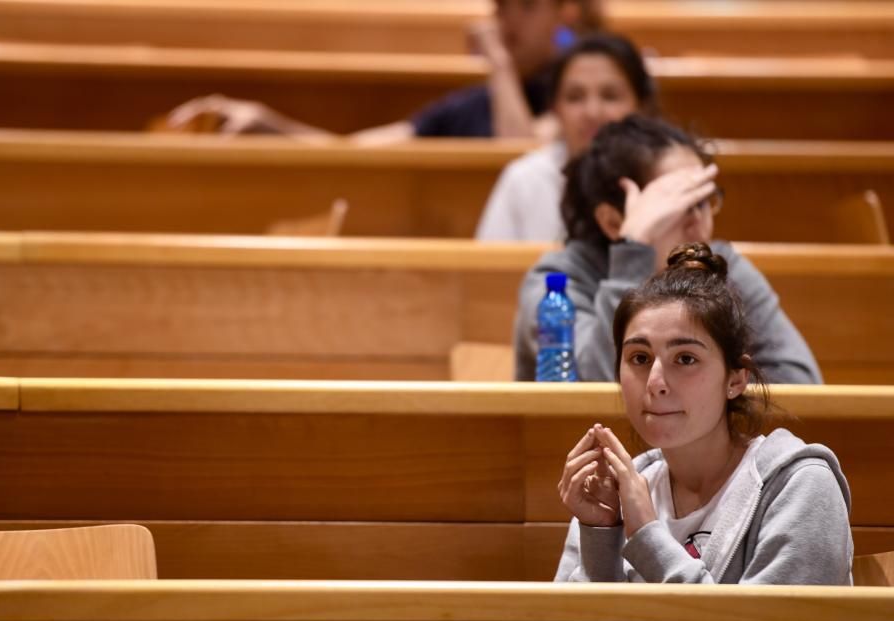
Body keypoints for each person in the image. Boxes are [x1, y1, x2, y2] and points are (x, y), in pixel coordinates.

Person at [554, 242, 852, 584]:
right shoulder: (612, 493)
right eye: (639, 358)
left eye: (685, 359)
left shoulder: (799, 485)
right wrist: (601, 534)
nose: (655, 382)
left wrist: (648, 537)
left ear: (736, 379)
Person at [513, 115, 823, 383]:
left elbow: (801, 384)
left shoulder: (723, 267)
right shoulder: (557, 280)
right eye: (676, 205)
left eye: (703, 201)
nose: (698, 222)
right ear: (612, 221)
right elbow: (593, 387)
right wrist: (633, 249)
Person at [162, 0, 601, 143]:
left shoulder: (585, 96)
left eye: (524, 6)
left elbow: (519, 156)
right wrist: (270, 124)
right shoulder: (470, 106)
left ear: (566, 12)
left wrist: (499, 65)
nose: (505, 23)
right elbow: (359, 151)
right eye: (499, 6)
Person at [475, 32, 655, 242]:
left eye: (610, 96)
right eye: (575, 97)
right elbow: (489, 270)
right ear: (555, 109)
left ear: (641, 107)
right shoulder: (524, 179)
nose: (592, 112)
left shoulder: (663, 177)